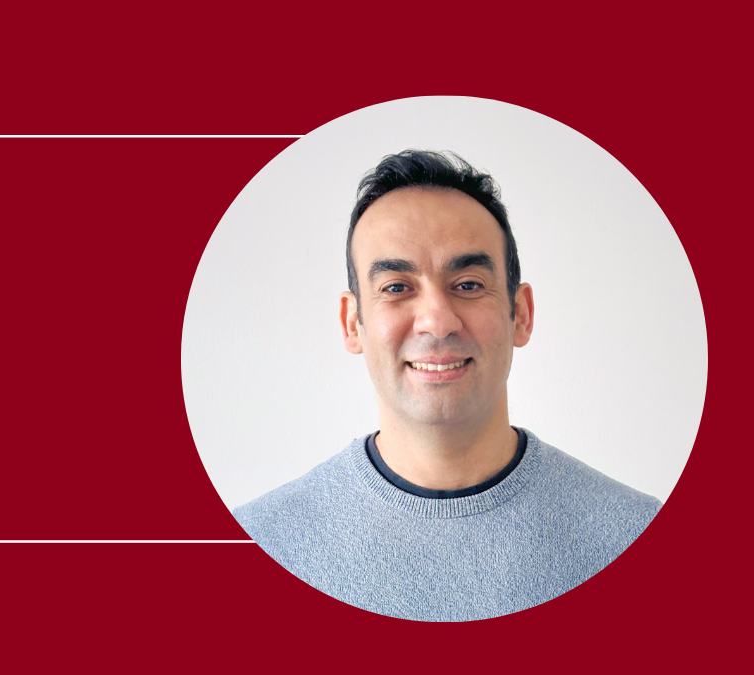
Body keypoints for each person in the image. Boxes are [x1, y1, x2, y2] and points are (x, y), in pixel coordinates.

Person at [232, 150, 661, 622]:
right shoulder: (258, 544)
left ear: (521, 314)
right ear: (352, 323)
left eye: (469, 284)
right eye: (396, 287)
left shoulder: (635, 536)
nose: (437, 321)